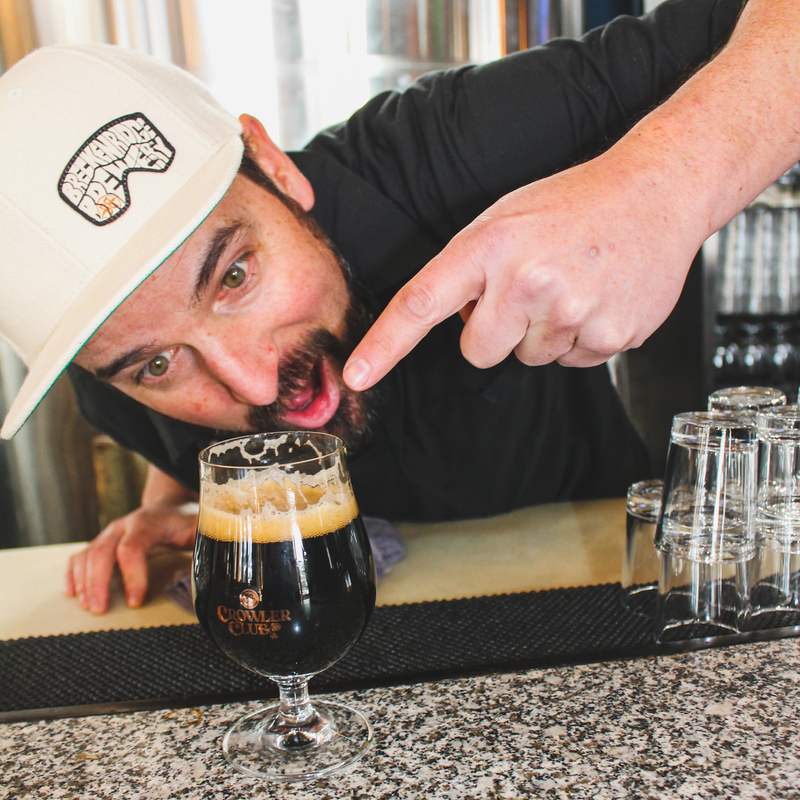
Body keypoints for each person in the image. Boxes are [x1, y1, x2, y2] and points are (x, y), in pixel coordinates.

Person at [0, 0, 787, 616]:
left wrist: (663, 187)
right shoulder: (108, 377)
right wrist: (172, 499)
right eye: (159, 365)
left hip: (600, 586)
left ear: (273, 166)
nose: (252, 382)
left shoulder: (446, 149)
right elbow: (162, 427)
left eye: (234, 276)